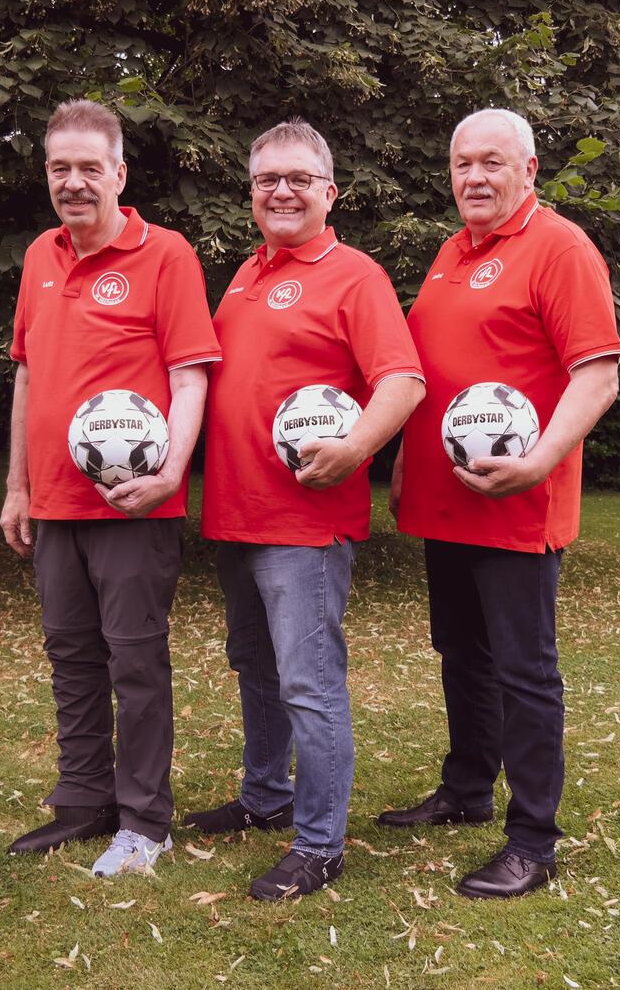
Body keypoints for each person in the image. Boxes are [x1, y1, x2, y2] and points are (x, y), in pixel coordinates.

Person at [380, 108, 620, 899]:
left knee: (525, 669)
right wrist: (405, 469)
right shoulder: (453, 253)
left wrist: (541, 459)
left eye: (491, 162)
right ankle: (467, 786)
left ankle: (533, 838)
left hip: (519, 505)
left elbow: (597, 373)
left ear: (530, 167)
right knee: (462, 650)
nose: (474, 178)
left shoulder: (560, 247)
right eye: (461, 164)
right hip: (447, 505)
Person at [187, 119, 424, 900]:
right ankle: (265, 796)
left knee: (308, 682)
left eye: (297, 179)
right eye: (266, 180)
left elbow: (403, 381)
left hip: (304, 526)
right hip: (234, 514)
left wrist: (355, 449)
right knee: (254, 666)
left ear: (331, 192)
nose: (281, 191)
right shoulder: (246, 274)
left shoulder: (355, 275)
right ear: (251, 194)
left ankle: (320, 844)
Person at [0, 99, 221, 877]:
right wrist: (17, 486)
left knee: (135, 660)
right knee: (71, 656)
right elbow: (29, 374)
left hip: (135, 505)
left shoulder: (167, 256)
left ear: (119, 174)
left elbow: (192, 375)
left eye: (89, 167)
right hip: (55, 503)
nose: (74, 182)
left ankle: (145, 820)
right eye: (60, 168)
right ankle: (84, 801)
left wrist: (169, 473)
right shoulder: (38, 256)